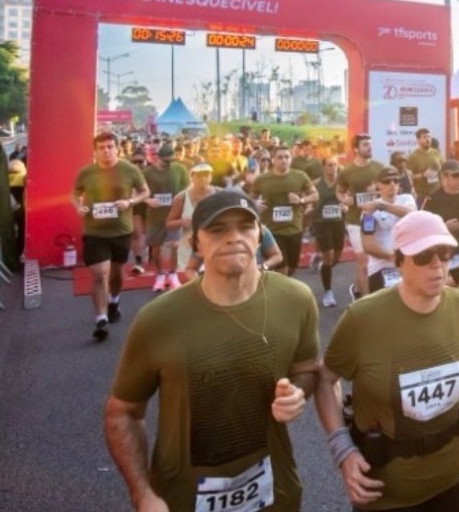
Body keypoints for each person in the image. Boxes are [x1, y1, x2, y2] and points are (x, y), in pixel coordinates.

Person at [104, 189, 320, 511]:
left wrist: (298, 393)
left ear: (260, 234)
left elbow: (307, 369)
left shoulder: (296, 299)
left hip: (277, 495)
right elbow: (122, 413)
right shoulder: (159, 318)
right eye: (218, 230)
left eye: (245, 227)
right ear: (196, 242)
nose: (234, 238)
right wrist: (142, 493)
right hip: (181, 500)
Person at [315, 211, 459, 510]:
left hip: (451, 481)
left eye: (444, 253)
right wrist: (342, 450)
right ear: (398, 260)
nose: (437, 265)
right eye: (424, 255)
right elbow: (325, 380)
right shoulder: (362, 318)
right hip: (384, 494)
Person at [71, 132, 149, 341]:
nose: (106, 151)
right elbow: (74, 193)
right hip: (94, 231)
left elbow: (144, 192)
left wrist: (130, 203)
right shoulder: (86, 172)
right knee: (99, 274)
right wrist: (79, 206)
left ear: (117, 148)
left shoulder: (129, 170)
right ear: (95, 151)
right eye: (101, 148)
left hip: (121, 230)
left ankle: (114, 299)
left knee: (116, 273)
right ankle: (101, 319)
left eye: (110, 147)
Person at [250, 146, 318, 276]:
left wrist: (301, 200)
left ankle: (279, 284)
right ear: (273, 160)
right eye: (280, 157)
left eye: (287, 157)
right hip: (272, 230)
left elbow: (315, 195)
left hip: (294, 229)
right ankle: (279, 291)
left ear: (291, 159)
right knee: (282, 268)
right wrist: (254, 204)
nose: (284, 160)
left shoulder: (300, 176)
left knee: (292, 266)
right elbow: (249, 199)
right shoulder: (262, 179)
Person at [339, 134, 384, 299]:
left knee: (376, 261)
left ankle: (357, 289)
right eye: (365, 145)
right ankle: (366, 302)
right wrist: (344, 200)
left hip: (377, 220)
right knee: (364, 262)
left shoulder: (379, 168)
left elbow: (390, 191)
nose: (369, 147)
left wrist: (377, 191)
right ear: (356, 149)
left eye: (370, 144)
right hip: (355, 221)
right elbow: (339, 191)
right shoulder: (347, 171)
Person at [360, 166, 417, 293]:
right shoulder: (369, 211)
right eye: (386, 182)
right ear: (378, 185)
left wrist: (381, 206)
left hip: (407, 264)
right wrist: (392, 257)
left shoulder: (407, 199)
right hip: (381, 266)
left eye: (395, 181)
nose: (392, 185)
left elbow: (411, 214)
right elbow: (368, 245)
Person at [142, 143, 190, 293]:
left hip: (174, 214)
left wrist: (183, 205)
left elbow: (187, 188)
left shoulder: (179, 169)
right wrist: (147, 200)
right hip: (155, 216)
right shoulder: (147, 173)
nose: (169, 164)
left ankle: (173, 273)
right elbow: (139, 192)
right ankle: (160, 273)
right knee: (156, 247)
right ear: (157, 158)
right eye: (165, 161)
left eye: (171, 160)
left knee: (174, 245)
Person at [422, 160, 459, 289]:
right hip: (438, 255)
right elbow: (422, 231)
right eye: (456, 175)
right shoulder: (432, 199)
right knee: (441, 292)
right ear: (444, 177)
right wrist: (444, 228)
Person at [166, 162, 218, 272]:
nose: (203, 178)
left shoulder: (219, 194)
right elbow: (169, 223)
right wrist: (182, 222)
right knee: (190, 283)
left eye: (206, 175)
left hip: (213, 246)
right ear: (192, 177)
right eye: (199, 175)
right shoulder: (181, 198)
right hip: (188, 249)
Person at [313, 155, 347, 307]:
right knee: (329, 257)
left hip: (338, 222)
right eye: (329, 165)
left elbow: (348, 199)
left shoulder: (343, 183)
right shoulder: (316, 183)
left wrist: (346, 207)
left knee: (337, 258)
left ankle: (323, 267)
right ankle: (328, 292)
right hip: (321, 222)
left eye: (335, 165)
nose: (333, 168)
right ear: (323, 167)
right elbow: (309, 198)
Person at [407, 128, 443, 205]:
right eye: (424, 137)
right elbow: (409, 177)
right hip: (421, 196)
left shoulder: (436, 153)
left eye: (429, 137)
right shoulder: (413, 156)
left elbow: (443, 170)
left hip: (437, 193)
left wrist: (440, 170)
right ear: (418, 140)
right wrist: (423, 175)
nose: (428, 139)